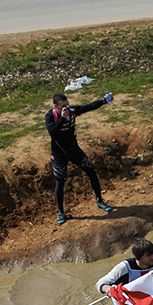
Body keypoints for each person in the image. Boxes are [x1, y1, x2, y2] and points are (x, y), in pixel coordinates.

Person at [46, 92, 114, 225]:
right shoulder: (50, 116)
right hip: (59, 154)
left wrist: (104, 101)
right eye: (63, 106)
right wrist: (62, 119)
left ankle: (99, 200)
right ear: (56, 106)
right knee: (60, 182)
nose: (66, 108)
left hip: (74, 150)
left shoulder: (71, 111)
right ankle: (61, 212)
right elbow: (52, 133)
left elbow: (88, 107)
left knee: (91, 172)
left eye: (67, 104)